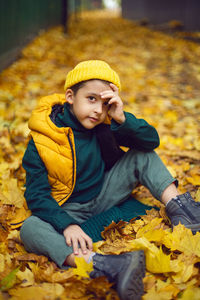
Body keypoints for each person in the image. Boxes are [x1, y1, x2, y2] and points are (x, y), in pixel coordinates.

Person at [20, 60, 200, 300]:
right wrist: (67, 224)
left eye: (105, 103)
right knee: (30, 228)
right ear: (70, 96)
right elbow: (37, 195)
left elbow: (150, 142)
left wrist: (121, 118)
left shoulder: (104, 123)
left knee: (142, 154)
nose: (97, 110)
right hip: (69, 209)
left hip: (105, 192)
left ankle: (184, 211)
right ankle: (104, 265)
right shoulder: (43, 140)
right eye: (91, 99)